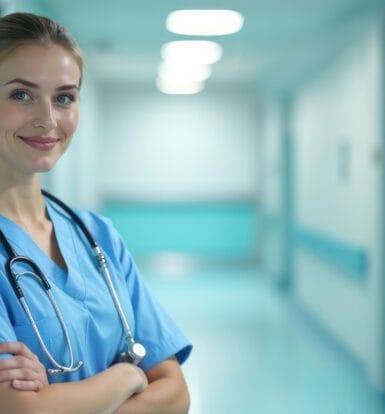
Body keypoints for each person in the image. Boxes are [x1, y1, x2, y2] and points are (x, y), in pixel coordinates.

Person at [0, 11, 192, 414]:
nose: (48, 119)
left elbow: (175, 393)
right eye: (21, 94)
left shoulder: (96, 235)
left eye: (64, 97)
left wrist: (58, 401)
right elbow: (22, 410)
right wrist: (128, 378)